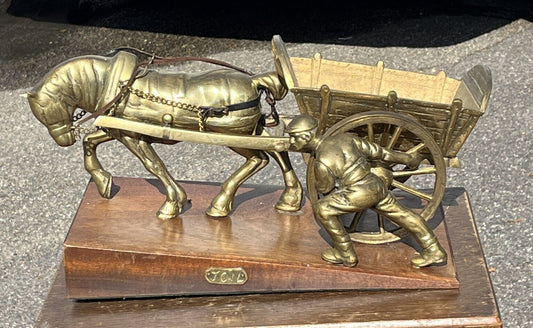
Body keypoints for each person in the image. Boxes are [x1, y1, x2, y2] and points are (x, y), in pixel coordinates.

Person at [286, 114, 447, 268]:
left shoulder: (321, 162)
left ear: (306, 137)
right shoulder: (345, 138)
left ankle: (345, 253)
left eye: (294, 137)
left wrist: (319, 183)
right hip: (375, 184)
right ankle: (434, 249)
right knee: (403, 214)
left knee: (322, 209)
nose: (291, 141)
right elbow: (379, 152)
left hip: (358, 192)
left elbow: (325, 189)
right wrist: (406, 158)